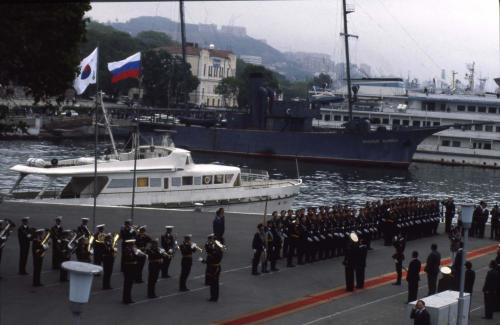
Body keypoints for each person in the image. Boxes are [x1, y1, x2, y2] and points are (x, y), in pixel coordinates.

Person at [203, 234, 224, 302]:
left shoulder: (217, 250)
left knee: (214, 283)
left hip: (215, 268)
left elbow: (213, 258)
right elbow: (208, 250)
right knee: (213, 283)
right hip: (214, 267)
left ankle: (214, 297)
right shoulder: (216, 249)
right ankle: (213, 296)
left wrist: (205, 261)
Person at [122, 239, 138, 304]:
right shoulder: (127, 250)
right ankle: (126, 299)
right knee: (127, 284)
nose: (134, 245)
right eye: (132, 244)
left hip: (131, 268)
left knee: (129, 284)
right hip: (128, 268)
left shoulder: (130, 249)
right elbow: (130, 258)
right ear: (130, 244)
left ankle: (127, 298)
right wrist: (135, 253)